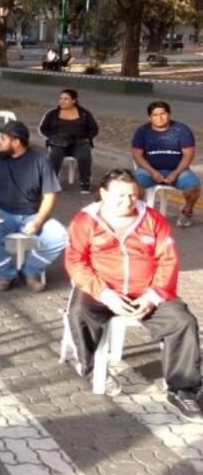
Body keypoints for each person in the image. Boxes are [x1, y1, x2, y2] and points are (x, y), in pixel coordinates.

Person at [64, 169, 202, 420]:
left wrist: (152, 297)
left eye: (131, 195)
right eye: (119, 196)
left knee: (183, 322)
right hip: (102, 289)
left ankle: (184, 389)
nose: (127, 201)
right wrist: (106, 295)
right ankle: (91, 367)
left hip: (146, 290)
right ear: (103, 193)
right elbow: (76, 261)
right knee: (79, 313)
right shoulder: (85, 220)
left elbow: (168, 261)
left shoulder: (153, 219)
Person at [0, 120, 67, 292]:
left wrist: (38, 221)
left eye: (3, 138)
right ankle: (6, 274)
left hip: (32, 215)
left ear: (16, 142)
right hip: (0, 212)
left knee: (60, 235)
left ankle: (30, 270)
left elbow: (50, 195)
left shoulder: (40, 161)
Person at [131, 100, 199, 227]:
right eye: (155, 115)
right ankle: (138, 214)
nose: (159, 118)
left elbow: (189, 155)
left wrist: (175, 173)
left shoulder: (181, 130)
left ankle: (187, 212)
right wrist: (153, 172)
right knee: (132, 185)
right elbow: (137, 155)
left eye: (163, 114)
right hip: (149, 171)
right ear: (149, 117)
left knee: (193, 188)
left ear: (169, 114)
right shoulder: (142, 131)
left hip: (178, 171)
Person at [38, 88, 99, 193]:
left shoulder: (84, 113)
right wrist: (51, 138)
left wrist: (87, 138)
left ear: (74, 100)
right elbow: (42, 129)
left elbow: (94, 129)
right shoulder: (52, 114)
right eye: (60, 98)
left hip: (78, 143)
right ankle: (52, 180)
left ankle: (85, 182)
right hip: (59, 143)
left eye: (66, 99)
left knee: (84, 155)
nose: (62, 101)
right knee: (56, 154)